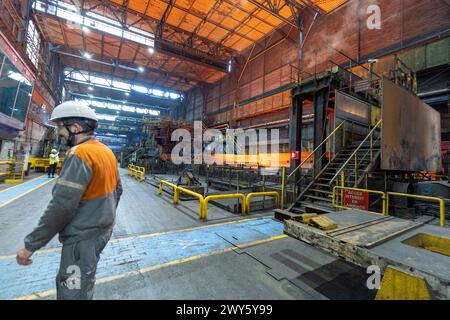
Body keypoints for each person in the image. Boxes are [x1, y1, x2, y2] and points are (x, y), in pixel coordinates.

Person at [16, 101, 123, 300]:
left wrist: (30, 245)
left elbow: (61, 207)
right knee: (84, 283)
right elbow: (118, 190)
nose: (60, 133)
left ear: (75, 128)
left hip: (82, 239)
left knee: (72, 290)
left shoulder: (80, 154)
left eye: (61, 127)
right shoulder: (107, 152)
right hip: (101, 232)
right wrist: (102, 217)